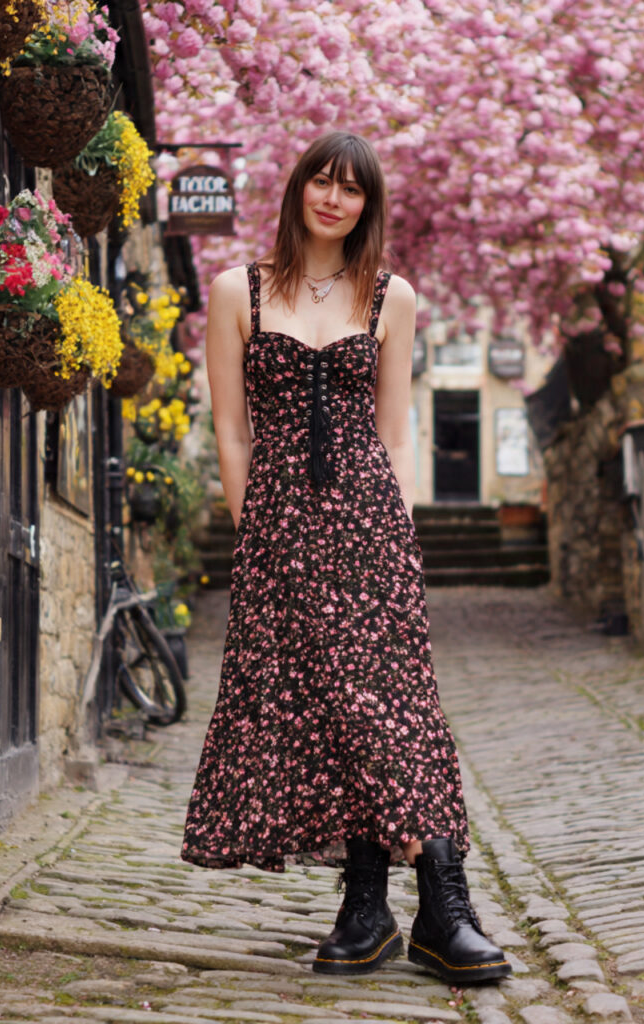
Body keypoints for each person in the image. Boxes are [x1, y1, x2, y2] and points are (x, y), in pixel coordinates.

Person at [181, 130, 510, 986]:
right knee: (325, 706)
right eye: (321, 182)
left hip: (369, 524)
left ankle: (419, 904)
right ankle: (386, 910)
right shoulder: (236, 290)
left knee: (389, 705)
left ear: (368, 204)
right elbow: (229, 428)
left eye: (351, 189)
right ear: (297, 190)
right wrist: (253, 525)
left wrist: (399, 534)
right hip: (280, 522)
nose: (333, 198)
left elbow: (397, 433)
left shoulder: (390, 295)